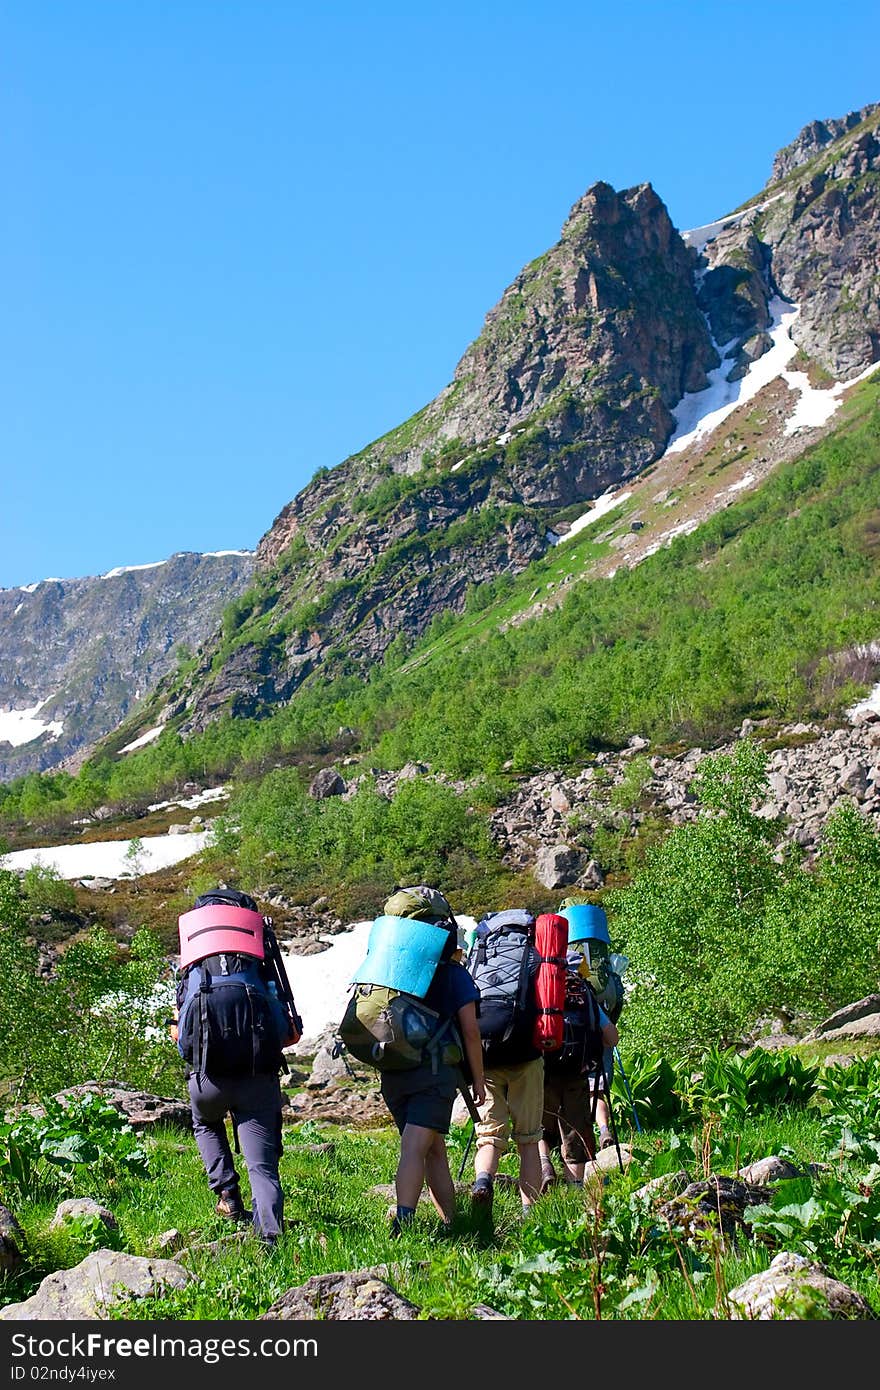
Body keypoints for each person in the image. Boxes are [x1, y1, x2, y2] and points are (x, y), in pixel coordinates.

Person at [171, 888, 301, 1249]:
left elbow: (184, 1043)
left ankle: (227, 1194)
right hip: (256, 1079)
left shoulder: (194, 966)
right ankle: (270, 1236)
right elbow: (286, 1032)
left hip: (208, 1080)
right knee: (263, 1166)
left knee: (205, 1121)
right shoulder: (257, 967)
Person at [379, 923, 486, 1236]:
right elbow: (471, 1030)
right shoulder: (454, 975)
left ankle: (451, 1224)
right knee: (415, 1148)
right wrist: (477, 1078)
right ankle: (403, 1225)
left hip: (394, 1072)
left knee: (433, 1149)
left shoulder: (395, 969)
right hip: (433, 1074)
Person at [468, 910, 545, 1220]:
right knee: (528, 1139)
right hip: (525, 1056)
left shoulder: (480, 954)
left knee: (489, 1135)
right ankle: (530, 1215)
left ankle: (483, 1181)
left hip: (485, 1055)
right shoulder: (535, 955)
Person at [539, 968, 619, 1189]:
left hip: (543, 1072)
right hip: (576, 1072)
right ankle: (575, 1191)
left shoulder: (540, 983)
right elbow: (612, 1037)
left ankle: (544, 1164)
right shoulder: (582, 990)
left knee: (538, 1127)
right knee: (575, 1129)